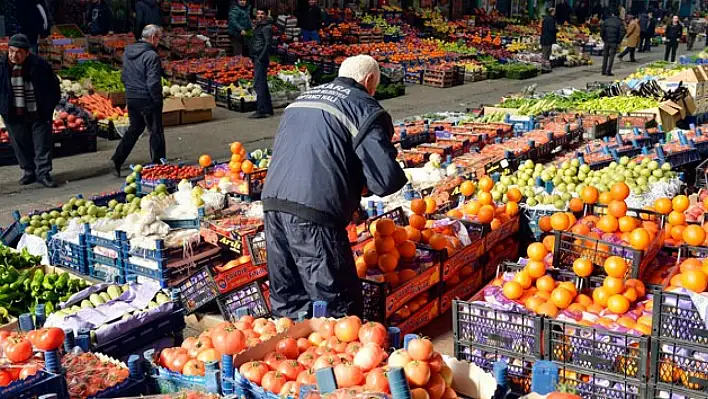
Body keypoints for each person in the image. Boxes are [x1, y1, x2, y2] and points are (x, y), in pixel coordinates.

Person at [261, 55, 408, 319]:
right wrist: (362, 185)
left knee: (288, 307)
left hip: (273, 205)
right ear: (370, 80)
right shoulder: (363, 105)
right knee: (338, 309)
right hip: (315, 214)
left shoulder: (303, 99)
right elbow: (385, 178)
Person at [0, 34, 60, 188]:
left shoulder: (40, 65)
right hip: (13, 112)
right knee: (20, 143)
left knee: (42, 144)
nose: (14, 55)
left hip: (38, 111)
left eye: (18, 52)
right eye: (11, 51)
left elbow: (54, 88)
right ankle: (28, 171)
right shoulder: (2, 65)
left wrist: (48, 108)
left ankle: (44, 173)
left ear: (27, 52)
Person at [111, 25, 165, 176]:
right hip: (147, 97)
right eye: (159, 38)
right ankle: (158, 165)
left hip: (132, 96)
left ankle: (117, 158)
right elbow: (153, 82)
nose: (159, 42)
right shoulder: (151, 56)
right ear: (153, 37)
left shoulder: (128, 52)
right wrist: (157, 100)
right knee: (155, 132)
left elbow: (123, 76)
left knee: (134, 129)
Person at [249, 7, 273, 119]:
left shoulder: (266, 27)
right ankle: (268, 109)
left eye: (262, 14)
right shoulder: (260, 26)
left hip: (260, 58)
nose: (259, 15)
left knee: (258, 85)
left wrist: (260, 57)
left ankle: (261, 110)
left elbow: (268, 43)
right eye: (258, 14)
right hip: (257, 57)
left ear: (266, 15)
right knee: (262, 84)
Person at [601, 10, 625, 76]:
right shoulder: (620, 22)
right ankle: (608, 71)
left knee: (605, 56)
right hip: (614, 42)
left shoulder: (607, 21)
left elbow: (602, 31)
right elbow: (622, 32)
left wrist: (603, 38)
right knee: (611, 57)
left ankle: (603, 70)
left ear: (612, 14)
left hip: (606, 41)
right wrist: (618, 41)